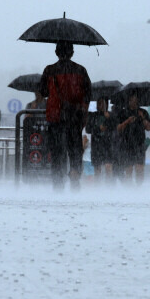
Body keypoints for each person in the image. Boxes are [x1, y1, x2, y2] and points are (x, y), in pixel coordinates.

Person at [39, 41, 92, 190]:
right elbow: (88, 94)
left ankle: (58, 181)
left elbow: (43, 91)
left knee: (57, 151)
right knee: (74, 150)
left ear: (56, 52)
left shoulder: (49, 70)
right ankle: (74, 174)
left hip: (55, 117)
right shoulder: (80, 70)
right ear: (72, 53)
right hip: (74, 117)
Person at [114, 93, 150, 185]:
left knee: (140, 169)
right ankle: (129, 191)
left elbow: (148, 128)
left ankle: (138, 189)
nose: (134, 102)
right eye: (131, 100)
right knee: (129, 169)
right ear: (128, 101)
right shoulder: (123, 113)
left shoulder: (143, 112)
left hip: (139, 144)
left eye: (135, 100)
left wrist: (142, 117)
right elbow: (118, 128)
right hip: (126, 144)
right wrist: (127, 122)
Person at [85, 97, 114, 182]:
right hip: (96, 145)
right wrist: (98, 128)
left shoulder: (111, 115)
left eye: (102, 103)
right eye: (98, 103)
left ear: (106, 104)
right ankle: (97, 188)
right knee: (97, 169)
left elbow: (115, 128)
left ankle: (109, 187)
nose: (99, 105)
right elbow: (88, 129)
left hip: (108, 145)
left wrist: (109, 118)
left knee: (108, 167)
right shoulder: (92, 115)